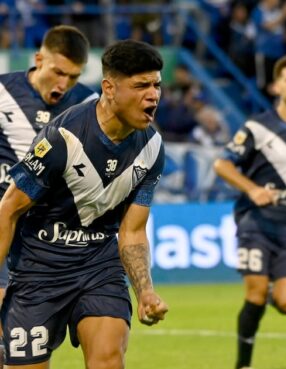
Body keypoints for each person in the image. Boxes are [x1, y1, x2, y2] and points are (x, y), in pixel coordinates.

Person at [0, 39, 168, 368]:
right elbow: (9, 209)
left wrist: (145, 290)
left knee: (107, 360)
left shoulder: (152, 148)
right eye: (141, 86)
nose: (153, 95)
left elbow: (132, 232)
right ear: (109, 88)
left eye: (157, 85)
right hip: (37, 271)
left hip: (98, 268)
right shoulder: (61, 138)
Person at [214, 53, 286, 369]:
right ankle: (243, 364)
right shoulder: (257, 127)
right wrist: (252, 189)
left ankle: (265, 290)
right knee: (255, 293)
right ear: (277, 86)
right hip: (256, 223)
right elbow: (222, 164)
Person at [0, 24, 98, 367]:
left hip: (55, 239)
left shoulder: (89, 103)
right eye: (58, 72)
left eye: (72, 76)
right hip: (5, 226)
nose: (63, 84)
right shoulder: (2, 92)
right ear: (38, 59)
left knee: (31, 348)